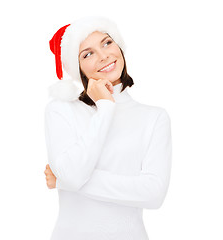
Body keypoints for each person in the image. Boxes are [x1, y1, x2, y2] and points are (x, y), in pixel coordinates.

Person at [44, 16, 172, 240]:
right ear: (78, 67)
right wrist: (105, 107)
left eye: (107, 43)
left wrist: (64, 181)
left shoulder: (154, 117)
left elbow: (153, 194)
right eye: (88, 53)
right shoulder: (61, 110)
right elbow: (73, 176)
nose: (104, 56)